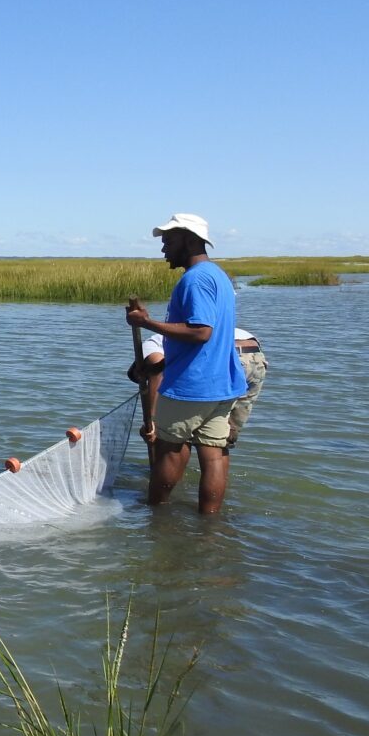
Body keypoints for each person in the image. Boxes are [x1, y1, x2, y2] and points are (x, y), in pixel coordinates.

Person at [125, 213, 247, 513]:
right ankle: (210, 524)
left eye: (169, 241)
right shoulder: (218, 275)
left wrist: (147, 322)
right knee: (214, 454)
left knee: (169, 450)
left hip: (192, 385)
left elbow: (201, 331)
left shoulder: (195, 279)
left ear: (190, 241)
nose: (164, 248)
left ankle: (156, 517)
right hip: (222, 384)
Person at [132, 327, 267, 447]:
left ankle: (166, 466)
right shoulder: (169, 337)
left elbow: (158, 374)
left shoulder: (150, 345)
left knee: (178, 434)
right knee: (224, 434)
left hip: (224, 354)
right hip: (255, 357)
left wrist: (152, 422)